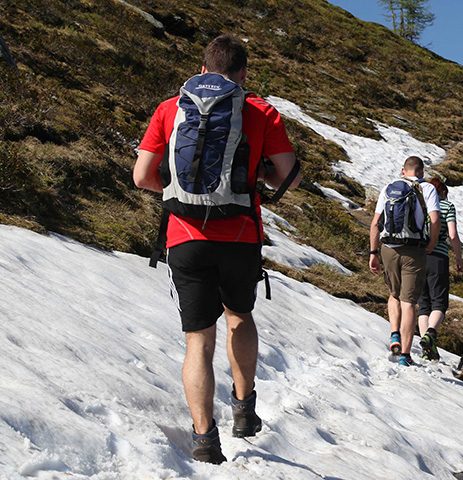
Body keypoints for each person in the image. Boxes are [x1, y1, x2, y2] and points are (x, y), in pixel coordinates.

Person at [133, 35, 300, 464]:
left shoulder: (170, 108)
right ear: (243, 74)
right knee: (239, 316)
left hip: (184, 238)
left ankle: (205, 439)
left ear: (203, 69)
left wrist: (176, 195)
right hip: (240, 237)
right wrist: (257, 177)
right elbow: (287, 178)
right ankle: (244, 407)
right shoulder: (260, 111)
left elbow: (141, 176)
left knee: (197, 339)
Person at [369, 156, 440, 367]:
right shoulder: (427, 189)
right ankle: (405, 355)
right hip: (414, 251)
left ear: (403, 171)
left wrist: (373, 253)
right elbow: (435, 219)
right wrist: (432, 244)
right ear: (422, 172)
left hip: (388, 249)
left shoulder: (388, 188)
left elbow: (375, 224)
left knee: (393, 295)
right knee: (409, 302)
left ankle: (394, 335)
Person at [417, 178, 463, 361]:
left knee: (423, 304)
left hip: (418, 257)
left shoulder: (420, 205)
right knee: (439, 303)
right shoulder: (446, 206)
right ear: (443, 192)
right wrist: (458, 257)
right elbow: (452, 234)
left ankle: (425, 345)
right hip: (438, 257)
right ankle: (430, 334)